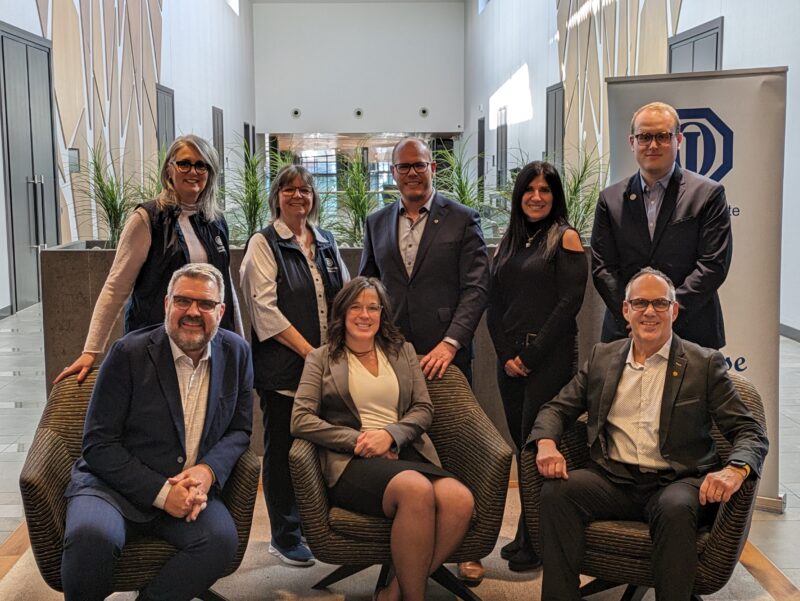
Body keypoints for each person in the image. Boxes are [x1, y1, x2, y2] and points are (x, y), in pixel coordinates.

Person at [529, 267, 768, 601]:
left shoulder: (704, 363)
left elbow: (749, 431)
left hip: (677, 481)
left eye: (659, 303)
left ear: (674, 310)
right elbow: (556, 408)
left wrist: (735, 468)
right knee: (558, 494)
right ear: (626, 311)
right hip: (613, 479)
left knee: (674, 508)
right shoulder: (603, 357)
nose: (650, 312)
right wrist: (546, 444)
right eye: (640, 303)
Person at [61, 263, 253, 601]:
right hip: (113, 488)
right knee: (92, 538)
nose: (193, 312)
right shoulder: (128, 354)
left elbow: (239, 429)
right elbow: (98, 444)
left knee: (220, 541)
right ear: (167, 304)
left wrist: (208, 471)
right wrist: (163, 493)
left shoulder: (237, 353)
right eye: (183, 301)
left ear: (221, 311)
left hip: (190, 490)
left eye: (206, 304)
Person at [292, 276, 475, 601]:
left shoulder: (403, 351)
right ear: (343, 313)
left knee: (460, 501)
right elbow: (301, 419)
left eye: (373, 308)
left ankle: (394, 591)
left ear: (382, 314)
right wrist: (360, 441)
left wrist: (391, 436)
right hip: (353, 462)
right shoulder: (320, 358)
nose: (365, 315)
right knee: (415, 489)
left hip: (405, 452)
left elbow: (423, 408)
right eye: (356, 307)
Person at [359, 137, 489, 584]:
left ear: (433, 168)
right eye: (403, 167)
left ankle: (466, 547)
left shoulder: (462, 218)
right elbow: (367, 287)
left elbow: (476, 288)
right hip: (392, 356)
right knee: (401, 441)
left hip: (444, 356)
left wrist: (451, 343)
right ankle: (404, 538)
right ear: (392, 172)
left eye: (419, 166)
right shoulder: (376, 221)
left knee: (457, 442)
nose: (412, 173)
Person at [55, 134, 241, 385]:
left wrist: (239, 342)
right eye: (184, 163)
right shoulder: (147, 218)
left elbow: (225, 286)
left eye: (201, 165)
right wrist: (91, 350)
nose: (193, 171)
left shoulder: (215, 221)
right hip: (155, 345)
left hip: (206, 344)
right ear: (169, 169)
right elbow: (116, 286)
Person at [240, 164, 349, 566]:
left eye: (305, 189)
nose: (298, 196)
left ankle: (314, 526)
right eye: (289, 190)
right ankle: (284, 535)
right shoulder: (263, 244)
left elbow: (345, 298)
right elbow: (263, 312)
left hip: (326, 367)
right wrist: (311, 354)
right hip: (284, 371)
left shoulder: (325, 240)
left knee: (319, 447)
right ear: (277, 197)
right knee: (283, 450)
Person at [486, 161, 586, 572]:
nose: (537, 196)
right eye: (530, 189)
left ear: (555, 196)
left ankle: (539, 540)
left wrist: (528, 357)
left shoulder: (566, 238)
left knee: (538, 447)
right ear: (519, 194)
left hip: (548, 362)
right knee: (522, 445)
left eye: (546, 190)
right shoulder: (510, 239)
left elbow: (569, 306)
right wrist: (506, 354)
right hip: (509, 361)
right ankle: (528, 531)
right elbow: (493, 302)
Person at [591, 101, 732, 349]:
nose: (653, 145)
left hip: (692, 331)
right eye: (644, 136)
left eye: (662, 136)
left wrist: (667, 312)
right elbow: (603, 268)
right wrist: (633, 314)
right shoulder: (609, 199)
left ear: (678, 139)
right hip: (625, 332)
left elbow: (712, 265)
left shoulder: (708, 194)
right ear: (632, 142)